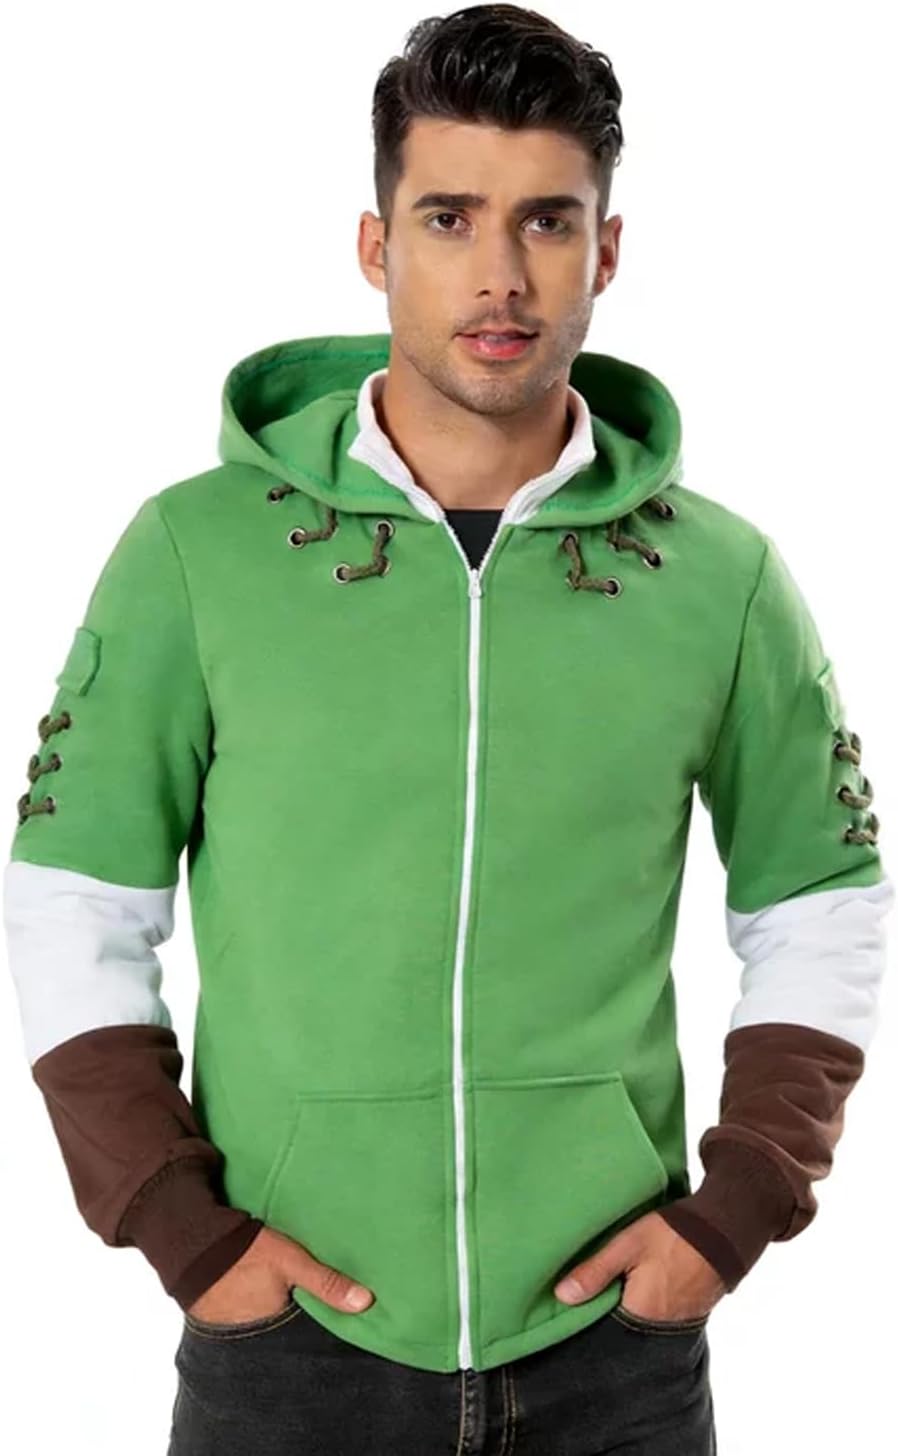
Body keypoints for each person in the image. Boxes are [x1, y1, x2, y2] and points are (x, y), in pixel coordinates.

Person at [4, 5, 893, 1453]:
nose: (500, 275)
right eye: (448, 217)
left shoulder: (722, 579)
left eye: (547, 221)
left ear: (607, 248)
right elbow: (74, 899)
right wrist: (178, 1225)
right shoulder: (193, 555)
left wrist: (734, 1210)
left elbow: (818, 902)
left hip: (613, 1353)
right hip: (287, 1347)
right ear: (376, 245)